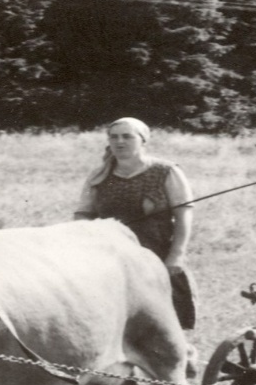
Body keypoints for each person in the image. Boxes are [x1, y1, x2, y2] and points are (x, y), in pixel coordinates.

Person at [74, 117, 197, 330]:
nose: (119, 142)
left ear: (143, 141)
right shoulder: (99, 175)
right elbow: (83, 214)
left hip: (155, 255)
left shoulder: (165, 171)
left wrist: (177, 255)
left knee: (163, 322)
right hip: (110, 257)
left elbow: (184, 213)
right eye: (114, 137)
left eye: (127, 136)